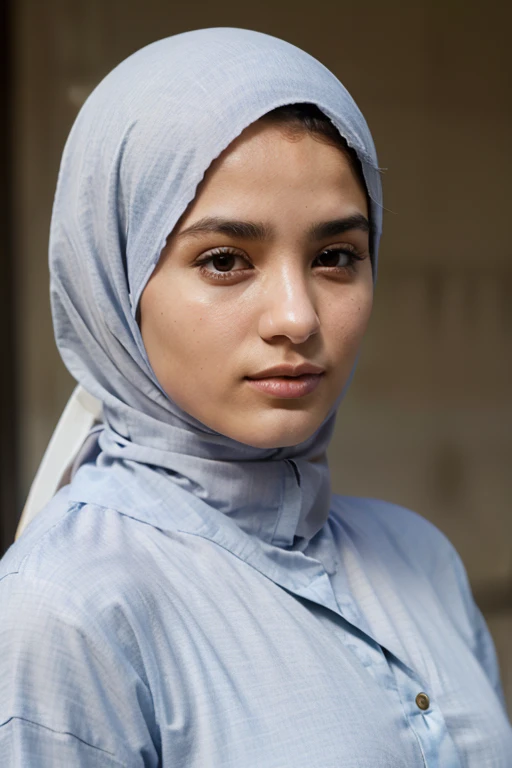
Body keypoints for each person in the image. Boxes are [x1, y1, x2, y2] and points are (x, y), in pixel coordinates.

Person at [0, 27, 510, 768]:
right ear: (114, 279)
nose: (297, 318)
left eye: (336, 256)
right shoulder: (64, 613)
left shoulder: (420, 558)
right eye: (225, 260)